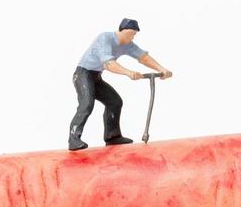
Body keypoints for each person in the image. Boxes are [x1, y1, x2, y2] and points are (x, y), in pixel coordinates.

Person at [69, 18, 172, 151]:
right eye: (130, 33)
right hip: (82, 75)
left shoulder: (127, 44)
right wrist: (128, 73)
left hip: (95, 76)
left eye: (134, 34)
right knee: (87, 103)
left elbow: (143, 57)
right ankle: (73, 139)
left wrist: (161, 69)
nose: (132, 36)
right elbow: (109, 64)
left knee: (115, 102)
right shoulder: (105, 38)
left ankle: (112, 136)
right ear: (121, 31)